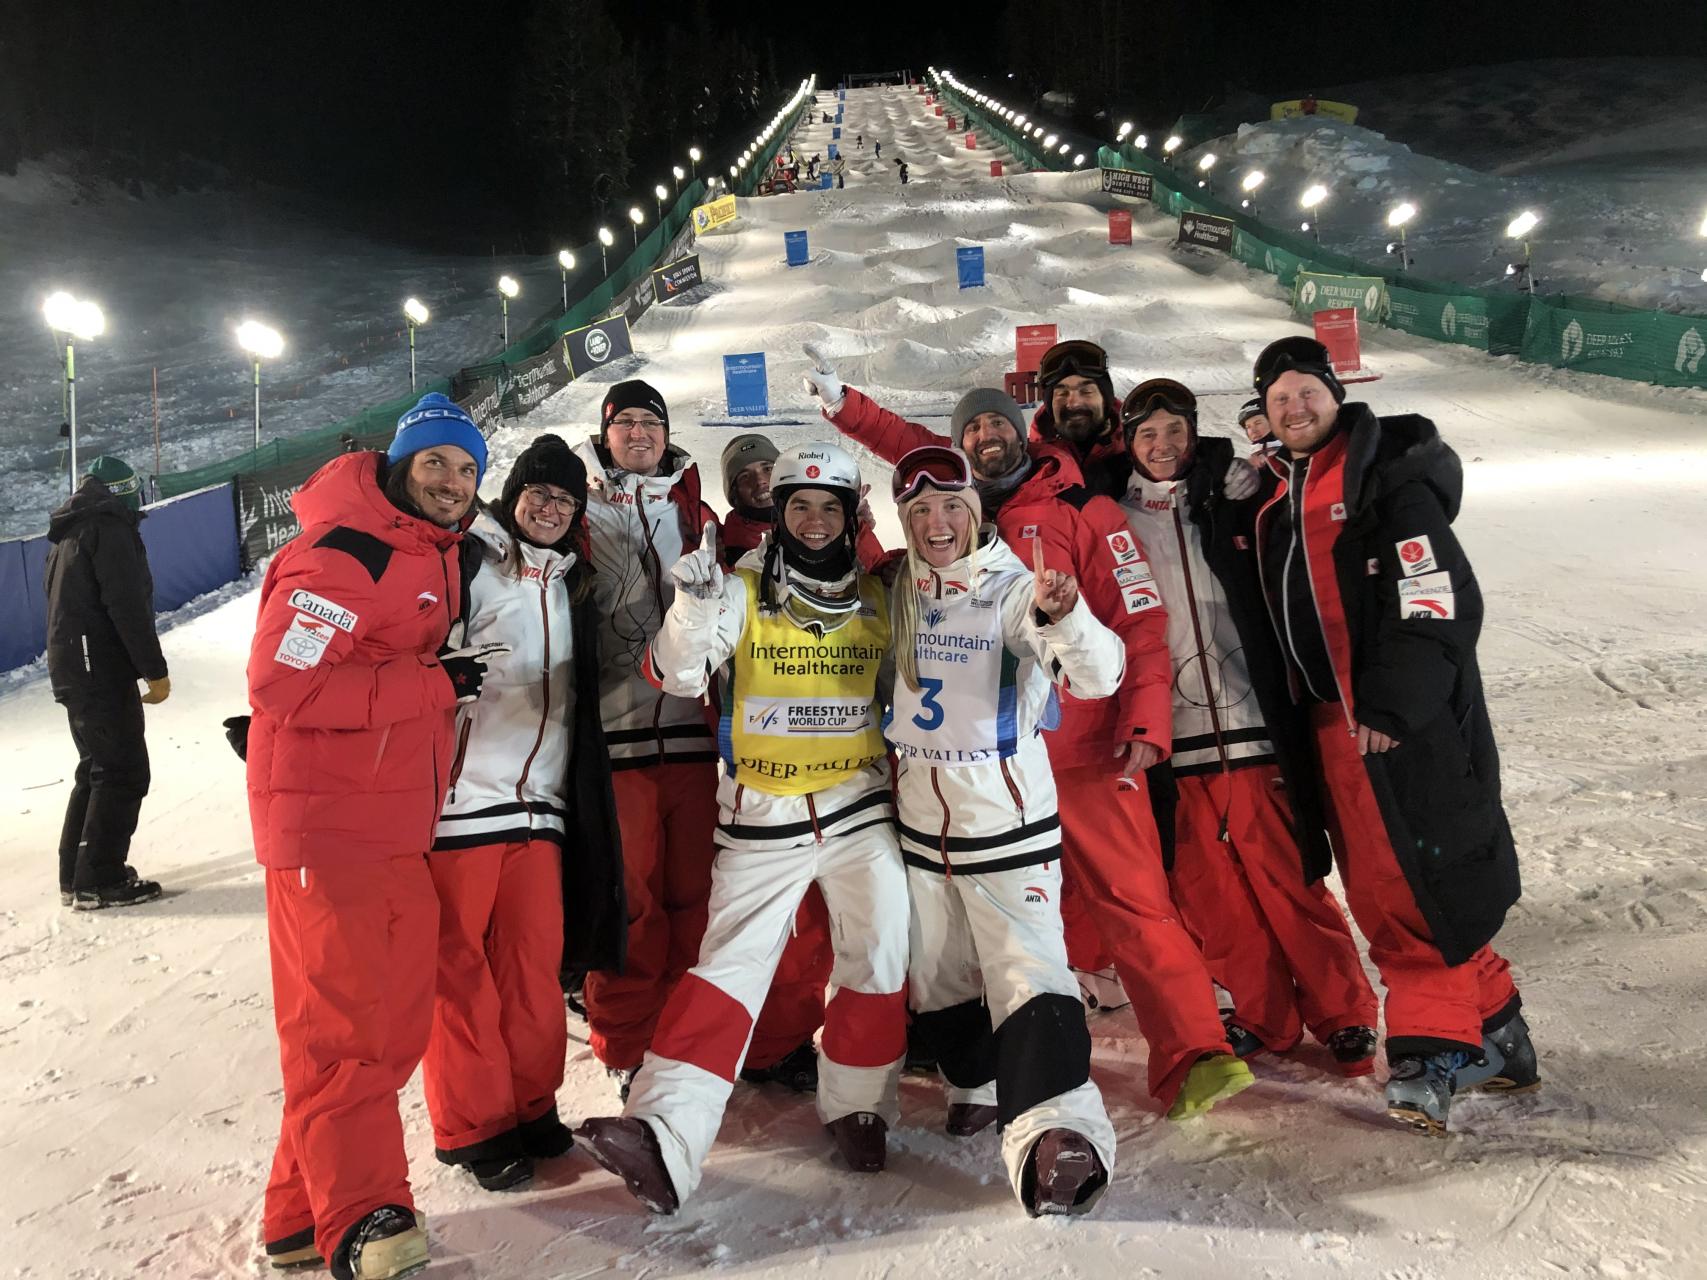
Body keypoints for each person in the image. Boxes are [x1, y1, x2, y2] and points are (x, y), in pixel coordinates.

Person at [800, 348, 1248, 1120]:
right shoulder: (947, 522)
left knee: (1134, 902)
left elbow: (1138, 619)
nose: (982, 438)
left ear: (1020, 433)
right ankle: (996, 1058)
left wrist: (1145, 718)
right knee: (999, 923)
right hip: (984, 767)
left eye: (994, 426)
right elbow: (910, 449)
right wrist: (845, 407)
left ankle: (1194, 1049)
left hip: (1084, 749)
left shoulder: (1085, 512)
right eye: (968, 430)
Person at [576, 444, 909, 1212]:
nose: (815, 522)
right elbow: (677, 672)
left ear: (852, 514)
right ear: (778, 512)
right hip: (764, 812)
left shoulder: (874, 592)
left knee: (880, 955)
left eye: (830, 508)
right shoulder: (741, 586)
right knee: (729, 967)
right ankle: (663, 1132)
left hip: (859, 808)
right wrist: (691, 611)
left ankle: (860, 1104)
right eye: (800, 506)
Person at [1249, 335, 1539, 1133]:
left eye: (1306, 391)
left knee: (1405, 888)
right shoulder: (1282, 489)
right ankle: (1500, 1032)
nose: (1294, 408)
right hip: (1329, 729)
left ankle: (1431, 1049)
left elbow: (1433, 599)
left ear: (1335, 395)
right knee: (1396, 879)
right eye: (1278, 400)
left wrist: (1389, 707)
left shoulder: (1385, 484)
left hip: (1389, 727)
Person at [248, 392, 499, 1278]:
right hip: (332, 831)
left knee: (378, 1023)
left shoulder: (419, 549)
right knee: (354, 1032)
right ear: (399, 465)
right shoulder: (346, 551)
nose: (452, 482)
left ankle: (298, 1212)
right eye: (435, 462)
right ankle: (362, 1217)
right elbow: (285, 689)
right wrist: (433, 685)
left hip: (383, 822)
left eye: (467, 469)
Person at [1117, 379, 1380, 1076]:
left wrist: (1240, 477)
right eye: (1148, 435)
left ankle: (1344, 1012)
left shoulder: (1229, 496)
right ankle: (1265, 1015)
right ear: (1128, 444)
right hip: (1173, 737)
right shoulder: (1111, 518)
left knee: (1287, 878)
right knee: (1211, 894)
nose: (1163, 447)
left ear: (1192, 433)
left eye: (1174, 432)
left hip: (1251, 723)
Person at [886, 445, 1122, 1216]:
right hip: (922, 837)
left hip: (1008, 829)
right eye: (919, 510)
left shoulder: (1014, 590)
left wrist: (1067, 616)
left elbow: (1096, 675)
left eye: (950, 506)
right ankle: (974, 1083)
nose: (936, 522)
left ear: (975, 512)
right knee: (943, 983)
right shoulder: (895, 589)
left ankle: (1060, 1133)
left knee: (1031, 978)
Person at [422, 434, 623, 1194]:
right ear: (513, 497)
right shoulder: (469, 561)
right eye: (539, 493)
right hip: (461, 804)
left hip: (539, 808)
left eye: (564, 500)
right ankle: (474, 1126)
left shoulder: (568, 581)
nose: (550, 507)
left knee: (534, 971)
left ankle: (531, 1106)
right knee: (460, 975)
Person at [574, 381, 721, 1101]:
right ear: (605, 433)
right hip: (616, 737)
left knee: (696, 897)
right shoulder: (575, 504)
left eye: (650, 423)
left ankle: (689, 1038)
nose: (638, 433)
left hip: (692, 741)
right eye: (623, 422)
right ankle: (628, 1044)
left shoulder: (696, 513)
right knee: (630, 907)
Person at [44, 453, 168, 910]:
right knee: (122, 772)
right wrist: (153, 669)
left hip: (74, 669)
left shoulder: (67, 533)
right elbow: (127, 605)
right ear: (127, 492)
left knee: (94, 771)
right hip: (100, 670)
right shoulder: (108, 529)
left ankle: (75, 876)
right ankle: (100, 878)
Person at [1031, 340, 1131, 499]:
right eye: (1062, 394)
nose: (1073, 403)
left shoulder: (1140, 455)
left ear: (1105, 400)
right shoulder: (1030, 465)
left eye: (1086, 391)